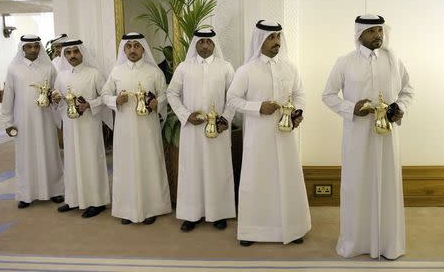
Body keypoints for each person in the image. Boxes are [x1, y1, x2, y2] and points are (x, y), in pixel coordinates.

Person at [322, 14, 414, 259]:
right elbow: (329, 95)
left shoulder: (393, 60)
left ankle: (388, 244)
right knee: (356, 185)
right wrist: (350, 108)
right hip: (357, 136)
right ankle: (355, 242)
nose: (378, 35)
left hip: (387, 136)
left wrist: (400, 108)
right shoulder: (345, 62)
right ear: (359, 34)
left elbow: (407, 89)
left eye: (380, 30)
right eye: (372, 31)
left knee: (388, 184)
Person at [227, 20, 311, 246]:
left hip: (285, 134)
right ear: (259, 40)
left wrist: (297, 114)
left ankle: (292, 228)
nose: (276, 42)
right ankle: (252, 231)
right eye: (271, 37)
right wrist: (257, 107)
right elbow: (233, 99)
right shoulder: (246, 70)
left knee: (287, 176)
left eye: (278, 37)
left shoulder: (289, 67)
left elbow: (300, 94)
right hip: (258, 135)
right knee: (258, 179)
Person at [167, 29, 236, 232]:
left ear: (214, 44)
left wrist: (226, 119)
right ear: (195, 44)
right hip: (193, 130)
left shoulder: (226, 67)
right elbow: (172, 93)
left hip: (218, 131)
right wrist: (185, 115)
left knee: (218, 169)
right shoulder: (184, 67)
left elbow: (233, 96)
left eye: (208, 41)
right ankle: (191, 214)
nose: (205, 45)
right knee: (192, 170)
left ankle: (219, 213)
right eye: (201, 41)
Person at [101, 32, 171, 225]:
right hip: (124, 130)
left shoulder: (154, 72)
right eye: (129, 46)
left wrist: (158, 101)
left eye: (136, 46)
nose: (132, 50)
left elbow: (165, 95)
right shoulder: (116, 72)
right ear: (124, 49)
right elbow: (104, 95)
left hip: (148, 129)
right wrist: (116, 100)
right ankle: (127, 209)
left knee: (149, 164)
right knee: (126, 166)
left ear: (143, 49)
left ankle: (151, 208)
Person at [51, 39, 113, 218]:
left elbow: (105, 98)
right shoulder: (61, 76)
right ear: (64, 55)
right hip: (70, 126)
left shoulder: (94, 74)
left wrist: (89, 105)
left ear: (82, 53)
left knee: (91, 161)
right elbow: (59, 98)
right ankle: (73, 199)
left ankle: (97, 201)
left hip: (89, 126)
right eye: (68, 52)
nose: (72, 55)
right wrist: (56, 100)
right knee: (71, 162)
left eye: (75, 52)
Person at [1, 34, 64, 208]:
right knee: (25, 156)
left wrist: (56, 98)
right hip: (23, 121)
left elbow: (56, 90)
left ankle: (55, 191)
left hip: (45, 118)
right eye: (30, 47)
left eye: (36, 46)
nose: (33, 50)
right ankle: (25, 194)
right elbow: (8, 97)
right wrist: (8, 122)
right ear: (23, 49)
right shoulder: (14, 69)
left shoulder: (48, 68)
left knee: (49, 153)